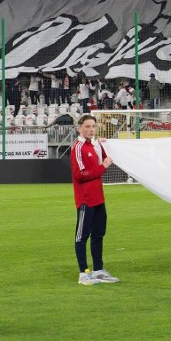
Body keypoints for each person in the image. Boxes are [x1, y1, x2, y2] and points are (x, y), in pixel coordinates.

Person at [70, 114, 120, 285]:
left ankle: (98, 270)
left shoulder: (94, 146)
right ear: (79, 128)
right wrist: (102, 167)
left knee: (98, 234)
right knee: (81, 236)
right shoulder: (78, 148)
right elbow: (80, 174)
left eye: (93, 126)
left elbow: (105, 155)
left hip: (98, 198)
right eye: (87, 127)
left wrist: (105, 144)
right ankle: (84, 273)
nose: (91, 130)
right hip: (85, 200)